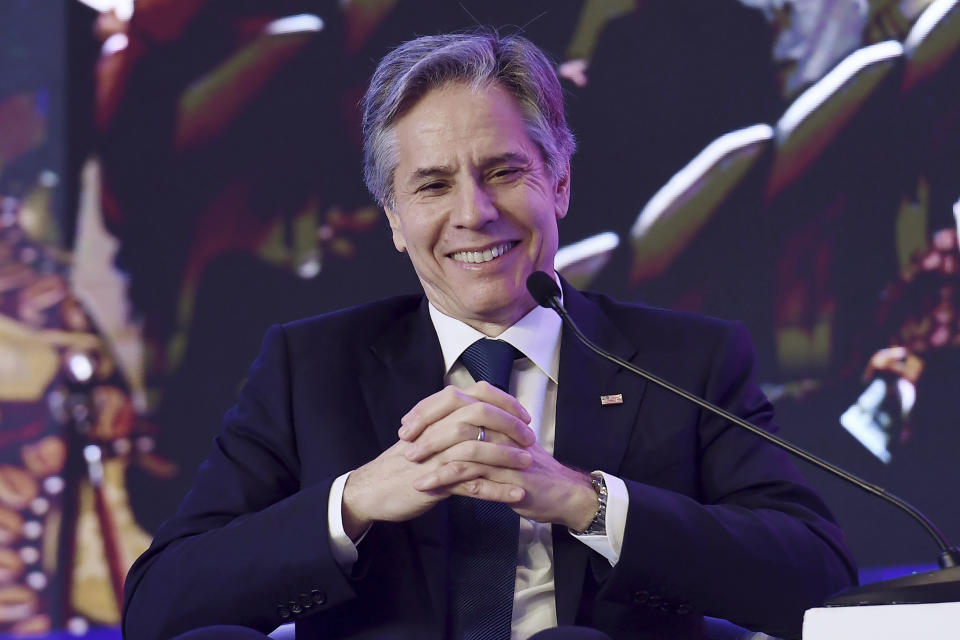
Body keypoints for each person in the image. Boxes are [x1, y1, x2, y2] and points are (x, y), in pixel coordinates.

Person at [121, 30, 856, 640]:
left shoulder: (687, 362)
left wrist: (585, 502)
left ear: (560, 182)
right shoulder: (309, 366)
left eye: (504, 172)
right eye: (433, 186)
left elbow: (817, 581)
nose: (474, 213)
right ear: (394, 220)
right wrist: (353, 502)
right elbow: (159, 606)